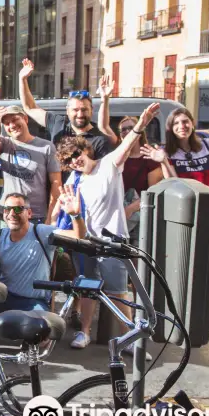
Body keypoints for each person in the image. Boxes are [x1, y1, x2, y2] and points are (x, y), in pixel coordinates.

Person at [55, 102, 161, 351]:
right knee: (89, 288)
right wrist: (62, 212)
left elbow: (125, 147)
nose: (74, 161)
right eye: (69, 160)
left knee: (117, 291)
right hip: (88, 241)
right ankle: (84, 332)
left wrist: (141, 124)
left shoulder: (108, 165)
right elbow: (67, 206)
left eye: (76, 155)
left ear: (85, 150)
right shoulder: (76, 178)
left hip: (113, 239)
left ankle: (129, 339)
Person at [0, 193, 57, 313]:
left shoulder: (42, 232)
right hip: (4, 298)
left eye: (18, 209)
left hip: (34, 301)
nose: (12, 214)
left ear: (29, 213)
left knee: (41, 326)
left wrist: (75, 216)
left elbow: (78, 236)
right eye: (7, 209)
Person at [143, 108, 209, 230]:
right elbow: (174, 184)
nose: (182, 126)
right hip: (184, 210)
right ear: (170, 128)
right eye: (176, 123)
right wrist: (164, 161)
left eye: (185, 121)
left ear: (192, 123)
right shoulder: (167, 152)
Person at [0, 105, 62, 223]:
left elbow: (56, 183)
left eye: (15, 120)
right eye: (6, 123)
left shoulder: (47, 146)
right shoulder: (5, 143)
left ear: (25, 119)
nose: (11, 125)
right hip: (8, 213)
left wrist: (51, 216)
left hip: (35, 215)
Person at [19, 58, 111, 158]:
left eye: (84, 110)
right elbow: (30, 108)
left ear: (91, 110)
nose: (80, 114)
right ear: (67, 111)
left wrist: (105, 99)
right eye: (75, 110)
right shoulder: (58, 123)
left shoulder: (99, 140)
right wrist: (22, 79)